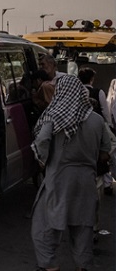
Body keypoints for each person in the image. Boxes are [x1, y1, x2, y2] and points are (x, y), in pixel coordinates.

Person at [30, 75, 111, 271]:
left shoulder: (54, 117)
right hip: (86, 182)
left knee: (44, 227)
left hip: (58, 180)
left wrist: (42, 161)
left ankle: (49, 266)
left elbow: (41, 142)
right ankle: (83, 266)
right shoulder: (97, 120)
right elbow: (105, 152)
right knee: (83, 230)